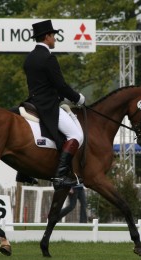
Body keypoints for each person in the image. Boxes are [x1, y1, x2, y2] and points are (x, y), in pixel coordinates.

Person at [23, 19, 85, 190]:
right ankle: (60, 177)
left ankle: (22, 171)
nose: (55, 39)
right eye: (53, 36)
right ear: (47, 36)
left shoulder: (29, 58)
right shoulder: (48, 58)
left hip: (32, 102)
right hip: (48, 106)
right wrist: (78, 98)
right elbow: (60, 85)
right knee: (75, 135)